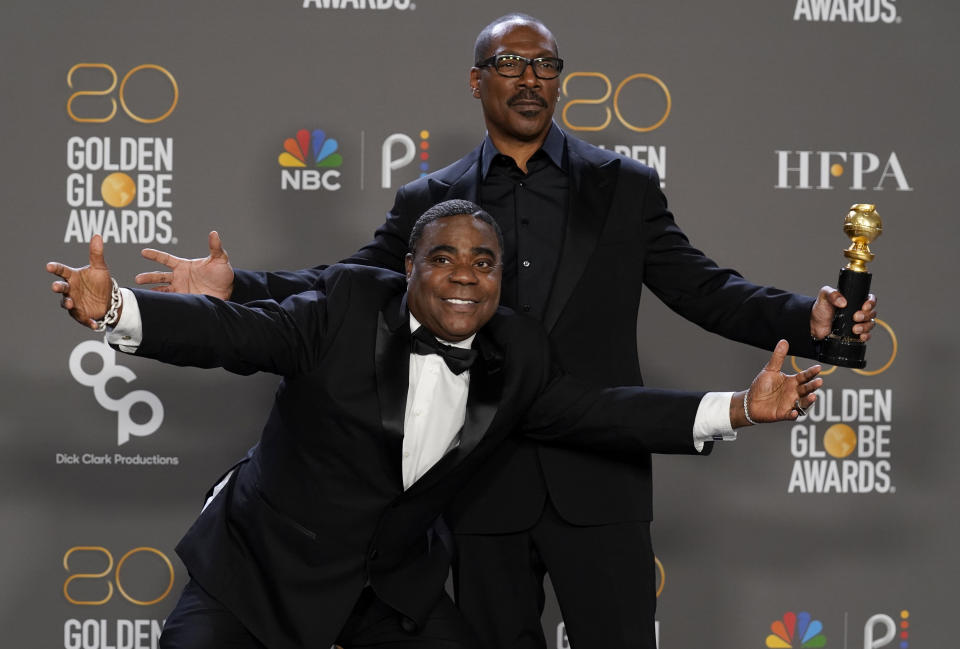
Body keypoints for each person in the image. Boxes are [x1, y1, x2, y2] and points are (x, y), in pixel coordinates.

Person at [131, 14, 878, 649]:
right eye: (510, 63)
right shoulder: (432, 198)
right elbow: (349, 286)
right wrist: (240, 288)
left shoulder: (623, 186)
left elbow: (703, 287)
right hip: (481, 484)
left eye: (545, 65)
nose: (529, 78)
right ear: (476, 80)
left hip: (600, 474)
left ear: (559, 81)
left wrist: (803, 322)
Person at [48, 200, 821, 649]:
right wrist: (117, 311)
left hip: (391, 585)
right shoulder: (344, 307)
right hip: (263, 567)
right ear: (408, 267)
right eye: (442, 257)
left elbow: (597, 411)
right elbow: (231, 337)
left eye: (483, 261)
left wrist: (741, 407)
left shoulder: (516, 350)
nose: (463, 273)